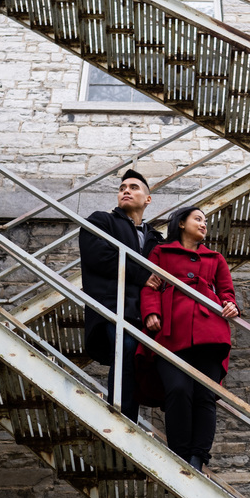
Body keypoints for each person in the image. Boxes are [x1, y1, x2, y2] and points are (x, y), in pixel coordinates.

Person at [137, 206, 239, 471]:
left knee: (206, 395)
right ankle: (179, 455)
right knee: (178, 389)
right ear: (181, 223)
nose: (204, 224)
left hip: (210, 332)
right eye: (198, 219)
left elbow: (227, 292)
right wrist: (151, 312)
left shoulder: (216, 258)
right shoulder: (161, 252)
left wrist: (230, 305)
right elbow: (150, 286)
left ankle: (198, 457)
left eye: (205, 221)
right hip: (170, 331)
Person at [78, 169, 163, 423]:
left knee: (138, 361)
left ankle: (129, 421)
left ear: (147, 199)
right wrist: (140, 274)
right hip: (111, 307)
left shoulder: (156, 239)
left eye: (134, 187)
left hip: (142, 312)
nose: (126, 190)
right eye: (122, 187)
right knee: (125, 347)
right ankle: (121, 420)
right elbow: (98, 256)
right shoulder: (102, 221)